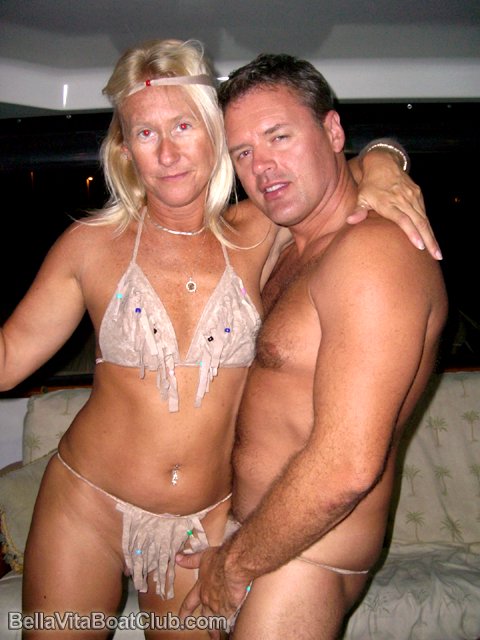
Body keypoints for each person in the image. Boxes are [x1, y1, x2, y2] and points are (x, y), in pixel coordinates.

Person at [0, 39, 439, 639]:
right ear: (125, 150)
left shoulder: (260, 230)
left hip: (199, 528)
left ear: (211, 133)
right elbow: (7, 355)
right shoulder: (89, 246)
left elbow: (332, 171)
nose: (168, 153)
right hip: (87, 503)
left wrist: (386, 157)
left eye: (183, 126)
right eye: (146, 134)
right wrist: (385, 158)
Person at [177, 53, 448, 639]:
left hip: (307, 558)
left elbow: (347, 465)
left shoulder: (374, 254)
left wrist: (235, 565)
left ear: (332, 131)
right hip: (254, 535)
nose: (262, 166)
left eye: (279, 136)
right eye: (242, 152)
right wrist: (384, 155)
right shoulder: (287, 242)